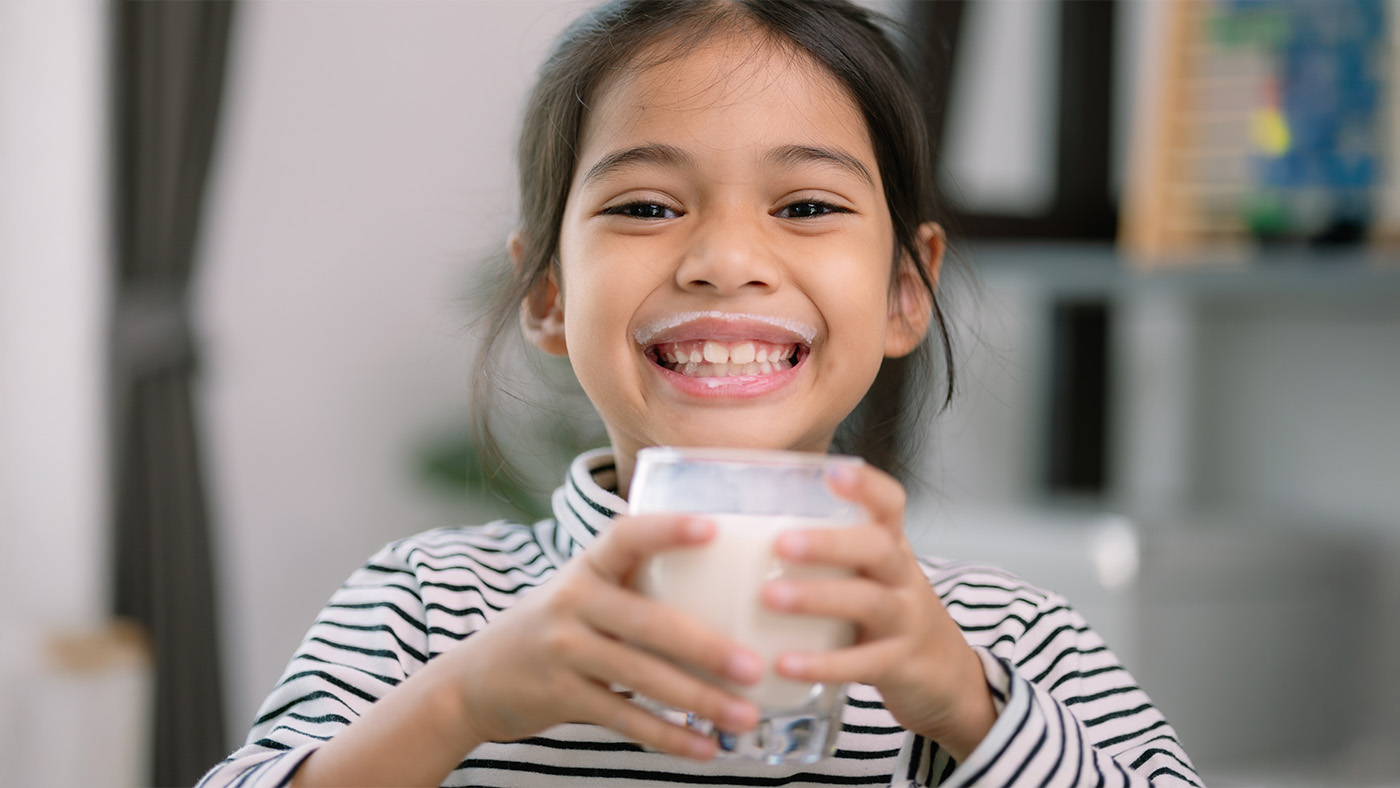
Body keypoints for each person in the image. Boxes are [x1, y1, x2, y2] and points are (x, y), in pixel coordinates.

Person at [200, 1, 1200, 786]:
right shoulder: (426, 609)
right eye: (644, 206)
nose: (724, 259)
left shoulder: (1003, 638)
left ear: (905, 290)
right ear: (548, 295)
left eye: (805, 205)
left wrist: (966, 707)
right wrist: (458, 702)